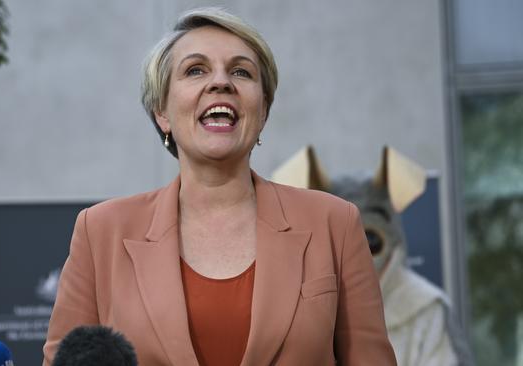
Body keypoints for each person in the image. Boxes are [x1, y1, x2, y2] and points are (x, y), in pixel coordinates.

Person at [43, 7, 396, 366]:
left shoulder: (334, 223)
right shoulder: (100, 232)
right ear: (161, 111)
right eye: (195, 70)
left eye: (241, 72)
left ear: (263, 112)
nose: (221, 82)